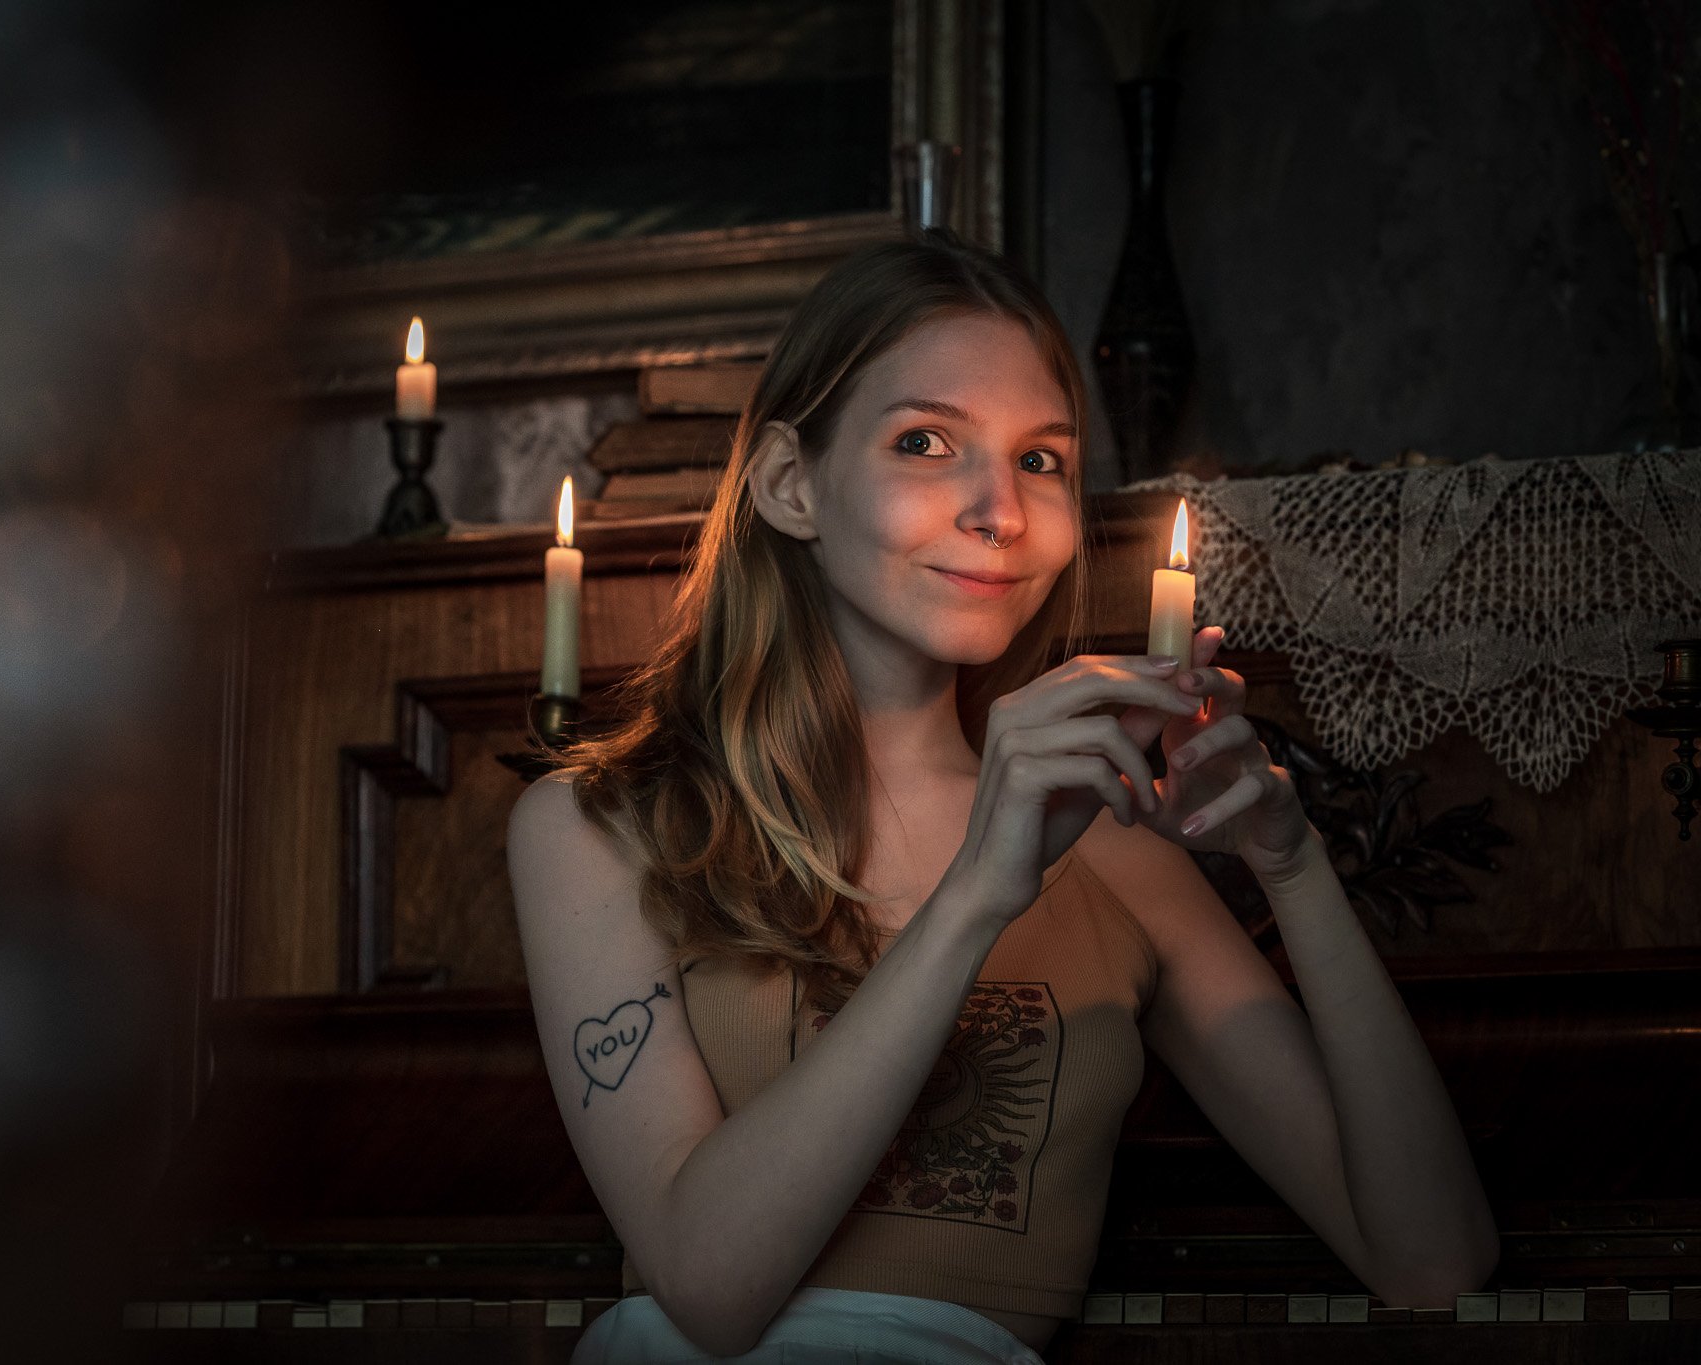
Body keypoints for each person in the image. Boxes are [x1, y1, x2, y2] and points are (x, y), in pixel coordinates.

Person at [507, 235, 1497, 1364]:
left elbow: (1429, 1262)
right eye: (924, 442)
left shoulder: (1117, 850)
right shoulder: (595, 828)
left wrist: (1292, 864)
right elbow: (708, 1288)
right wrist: (978, 889)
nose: (1001, 511)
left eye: (1040, 459)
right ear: (789, 484)